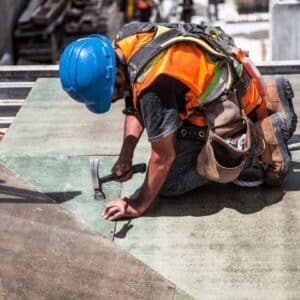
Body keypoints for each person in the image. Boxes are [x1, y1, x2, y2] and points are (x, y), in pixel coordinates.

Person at [59, 22, 297, 221]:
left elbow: (163, 156)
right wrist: (126, 154)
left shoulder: (154, 86)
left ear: (117, 75)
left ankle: (260, 142)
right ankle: (269, 101)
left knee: (168, 184)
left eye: (107, 95)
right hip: (234, 82)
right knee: (164, 133)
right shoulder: (127, 40)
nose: (110, 102)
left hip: (232, 109)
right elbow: (134, 103)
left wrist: (137, 204)